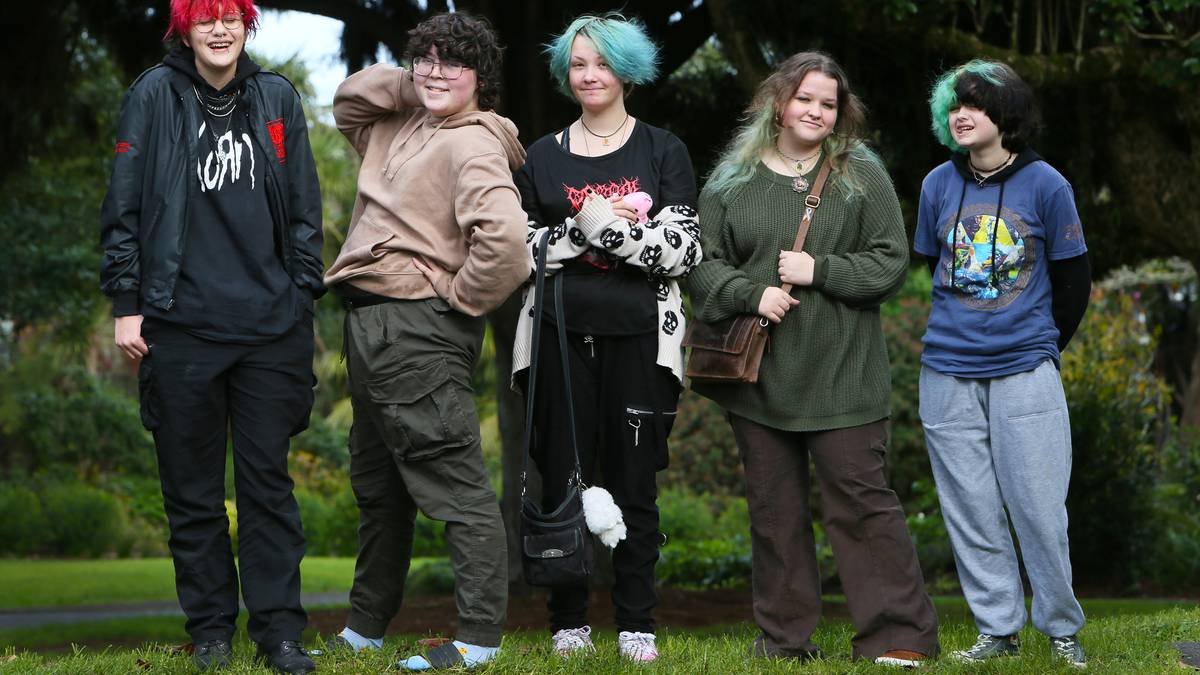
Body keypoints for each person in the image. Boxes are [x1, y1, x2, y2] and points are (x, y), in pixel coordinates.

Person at [686, 51, 939, 668]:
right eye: (805, 99)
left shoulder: (860, 172)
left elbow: (889, 263)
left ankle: (897, 636)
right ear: (778, 101)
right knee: (775, 514)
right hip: (761, 378)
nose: (816, 112)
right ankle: (784, 640)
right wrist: (754, 292)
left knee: (862, 505)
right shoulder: (730, 179)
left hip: (845, 375)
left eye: (828, 104)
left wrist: (817, 270)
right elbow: (700, 261)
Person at [99, 0, 323, 672]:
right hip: (180, 324)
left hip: (268, 330)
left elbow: (306, 207)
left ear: (246, 25)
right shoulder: (153, 96)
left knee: (268, 492)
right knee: (192, 493)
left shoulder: (277, 98)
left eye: (231, 16)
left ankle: (281, 633)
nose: (220, 30)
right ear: (185, 28)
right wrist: (127, 302)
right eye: (206, 18)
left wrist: (300, 294)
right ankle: (212, 633)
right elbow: (124, 202)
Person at [321, 12, 529, 672]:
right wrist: (417, 80)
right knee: (380, 485)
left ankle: (476, 639)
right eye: (427, 59)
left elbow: (507, 247)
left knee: (456, 483)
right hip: (369, 323)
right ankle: (364, 626)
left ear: (482, 78)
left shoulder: (473, 145)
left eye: (454, 63)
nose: (438, 71)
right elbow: (349, 100)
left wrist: (454, 301)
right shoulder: (397, 125)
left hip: (415, 325)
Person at [510, 12, 700, 664]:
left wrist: (595, 226)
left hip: (640, 338)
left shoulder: (661, 149)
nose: (589, 74)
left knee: (634, 480)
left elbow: (681, 250)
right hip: (558, 337)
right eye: (578, 63)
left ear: (627, 69)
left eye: (601, 62)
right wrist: (595, 224)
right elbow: (521, 249)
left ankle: (637, 622)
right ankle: (568, 620)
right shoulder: (543, 154)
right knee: (561, 475)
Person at [915, 59, 1091, 669]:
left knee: (1039, 508)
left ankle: (1062, 627)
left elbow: (1074, 284)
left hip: (1024, 370)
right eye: (954, 106)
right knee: (970, 509)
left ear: (1005, 114)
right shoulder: (937, 182)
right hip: (945, 371)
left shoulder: (1047, 184)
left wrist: (1038, 344)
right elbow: (931, 267)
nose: (961, 115)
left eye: (976, 104)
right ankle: (998, 629)